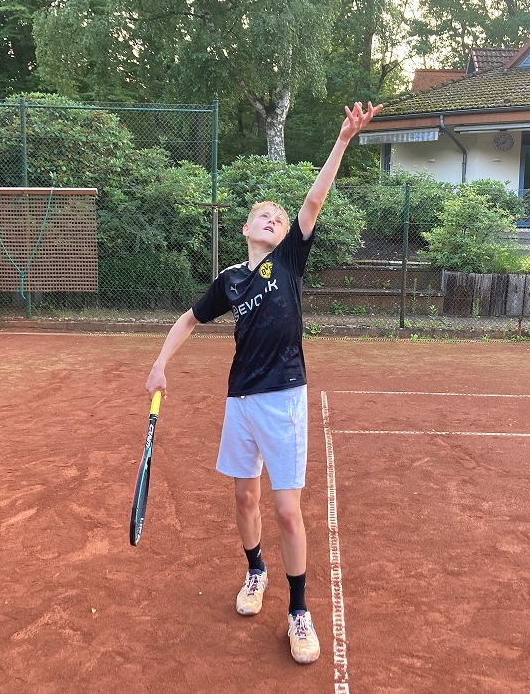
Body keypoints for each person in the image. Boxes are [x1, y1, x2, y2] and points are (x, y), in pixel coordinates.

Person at [145, 101, 382, 664]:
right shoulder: (230, 280)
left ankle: (299, 611)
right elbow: (188, 320)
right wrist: (159, 364)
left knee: (286, 511)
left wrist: (343, 140)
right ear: (246, 228)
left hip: (284, 398)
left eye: (279, 216)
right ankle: (256, 570)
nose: (273, 219)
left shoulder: (290, 260)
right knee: (243, 496)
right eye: (263, 215)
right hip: (241, 401)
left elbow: (313, 201)